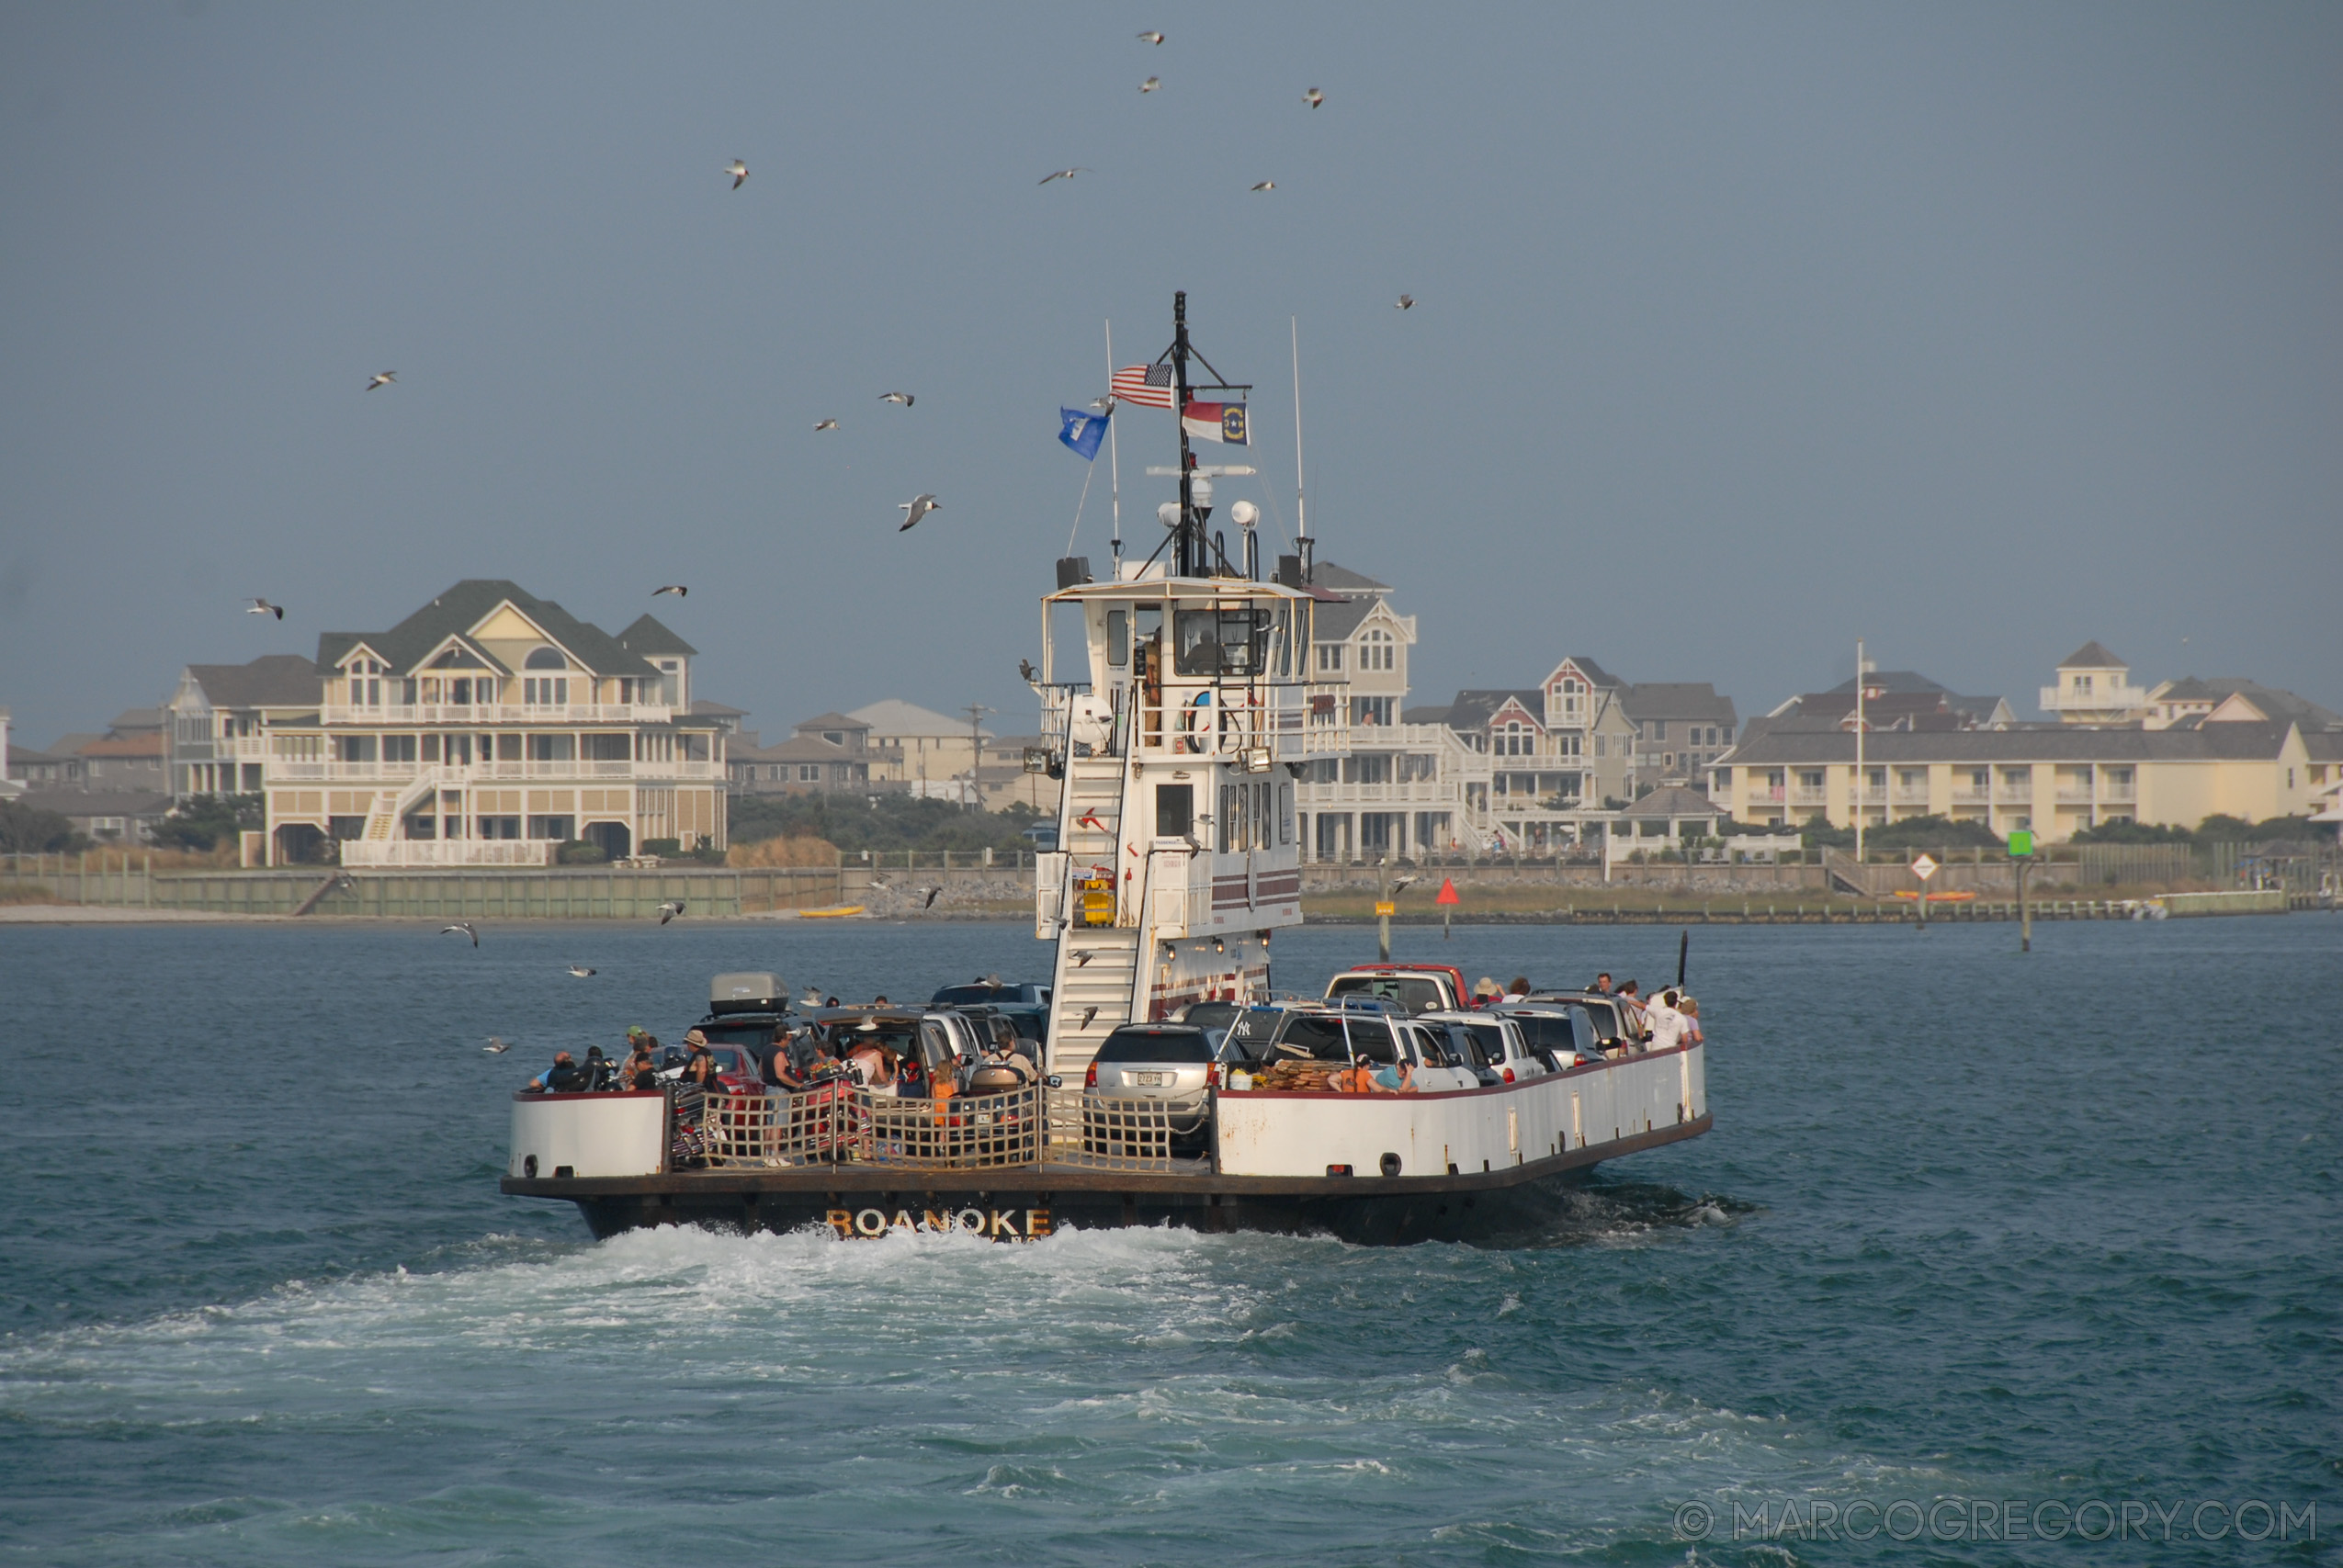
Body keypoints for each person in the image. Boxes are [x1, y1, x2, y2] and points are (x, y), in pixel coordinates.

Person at [1644, 988, 1688, 1053]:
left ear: (1665, 1001)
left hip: (1656, 1046)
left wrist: (1629, 1000)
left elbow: (1642, 1006)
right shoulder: (1681, 1018)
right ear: (1676, 1002)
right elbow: (1685, 1039)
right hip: (1670, 1048)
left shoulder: (1659, 1011)